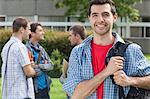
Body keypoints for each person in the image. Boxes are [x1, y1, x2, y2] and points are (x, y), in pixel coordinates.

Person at [63, 0, 150, 99]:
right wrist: (106, 71)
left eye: (105, 14)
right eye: (95, 15)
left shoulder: (131, 50)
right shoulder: (78, 52)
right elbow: (76, 95)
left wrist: (129, 80)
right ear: (89, 18)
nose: (100, 20)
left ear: (114, 17)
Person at [1, 17, 36, 99]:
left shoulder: (6, 46)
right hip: (20, 94)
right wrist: (34, 68)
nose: (30, 32)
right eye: (28, 29)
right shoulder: (20, 47)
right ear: (22, 29)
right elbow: (29, 72)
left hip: (7, 94)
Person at [26, 23, 53, 99]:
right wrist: (44, 67)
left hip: (45, 88)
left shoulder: (41, 49)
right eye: (40, 31)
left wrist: (38, 66)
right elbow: (31, 71)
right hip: (35, 90)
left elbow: (51, 65)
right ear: (33, 33)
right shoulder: (26, 49)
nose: (43, 33)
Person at [60, 24, 86, 99]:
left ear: (77, 36)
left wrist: (64, 80)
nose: (69, 38)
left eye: (70, 35)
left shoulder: (82, 52)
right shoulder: (77, 51)